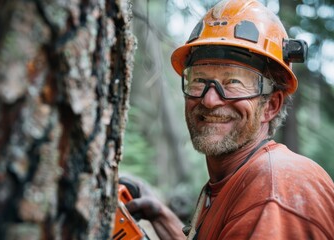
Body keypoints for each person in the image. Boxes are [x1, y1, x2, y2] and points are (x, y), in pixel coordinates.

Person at [123, 0, 334, 239]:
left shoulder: (272, 193)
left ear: (271, 105)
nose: (210, 100)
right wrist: (161, 217)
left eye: (233, 82)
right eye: (199, 80)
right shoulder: (235, 183)